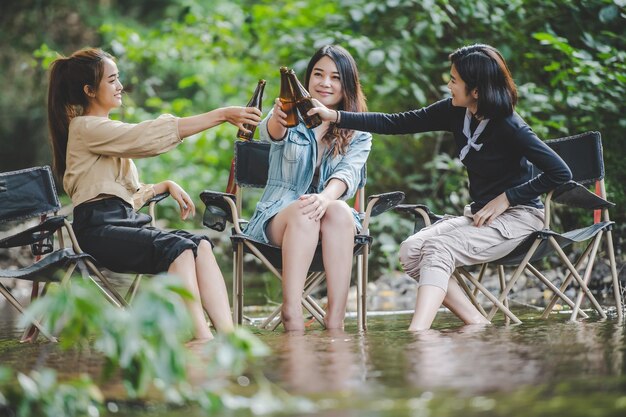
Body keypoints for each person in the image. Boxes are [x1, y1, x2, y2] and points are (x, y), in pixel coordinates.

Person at [309, 44, 572, 331]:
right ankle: (478, 324)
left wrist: (508, 197)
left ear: (476, 90)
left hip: (520, 219)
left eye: (454, 80)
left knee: (437, 247)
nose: (449, 85)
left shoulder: (511, 126)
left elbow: (560, 172)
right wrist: (334, 116)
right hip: (481, 218)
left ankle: (417, 333)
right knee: (411, 250)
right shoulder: (455, 112)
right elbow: (395, 123)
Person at [47, 47, 262, 341]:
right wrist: (222, 114)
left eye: (118, 78)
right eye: (112, 80)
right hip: (97, 230)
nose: (120, 86)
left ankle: (230, 337)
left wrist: (161, 186)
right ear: (89, 90)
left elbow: (118, 194)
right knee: (179, 248)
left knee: (200, 243)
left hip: (120, 221)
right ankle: (202, 340)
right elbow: (144, 138)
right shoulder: (85, 127)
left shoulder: (103, 132)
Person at [244, 45, 371, 331]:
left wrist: (325, 199)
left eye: (335, 77)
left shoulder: (359, 129)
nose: (325, 83)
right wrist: (278, 119)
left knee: (338, 210)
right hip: (279, 216)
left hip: (331, 221)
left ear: (347, 84)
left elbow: (348, 173)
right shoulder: (290, 114)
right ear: (307, 78)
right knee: (305, 210)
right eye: (318, 74)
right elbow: (271, 133)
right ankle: (292, 311)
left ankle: (335, 319)